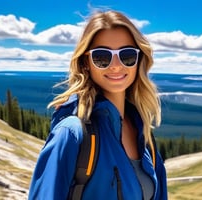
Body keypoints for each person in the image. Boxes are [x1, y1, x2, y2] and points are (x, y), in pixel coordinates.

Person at [28, 10, 167, 200]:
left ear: (139, 61)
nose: (116, 65)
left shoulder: (144, 135)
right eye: (102, 57)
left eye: (127, 55)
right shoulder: (71, 134)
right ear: (86, 62)